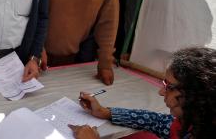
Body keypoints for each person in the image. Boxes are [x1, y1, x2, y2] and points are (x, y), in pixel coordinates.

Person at [71, 47, 216, 139]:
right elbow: (156, 121)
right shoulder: (192, 123)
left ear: (196, 96)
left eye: (169, 86)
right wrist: (104, 112)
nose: (161, 92)